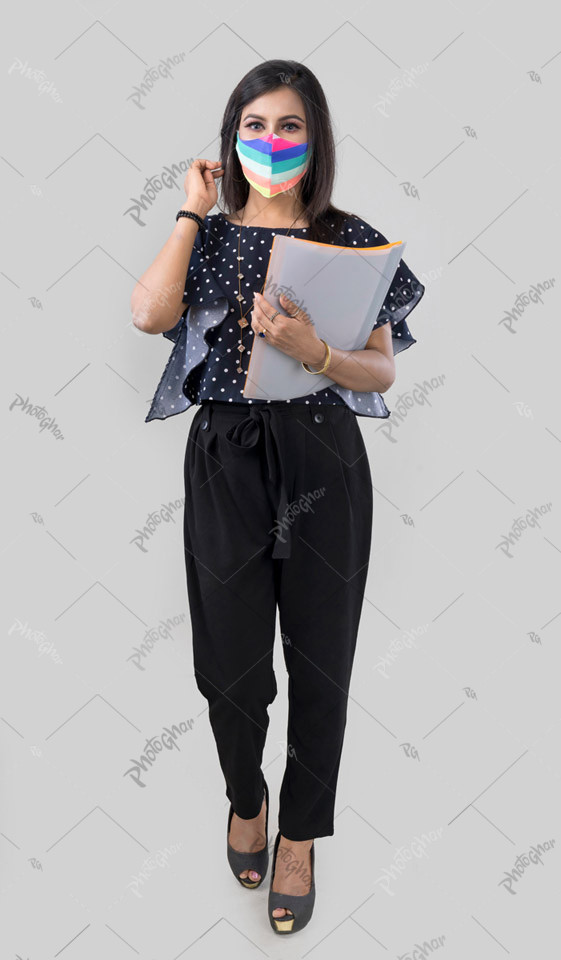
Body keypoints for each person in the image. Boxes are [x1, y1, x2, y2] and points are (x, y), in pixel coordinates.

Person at [131, 59, 425, 935]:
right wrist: (190, 206)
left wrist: (314, 351)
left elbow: (381, 369)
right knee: (229, 664)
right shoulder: (210, 236)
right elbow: (149, 315)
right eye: (254, 125)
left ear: (315, 138)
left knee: (321, 661)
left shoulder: (351, 238)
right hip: (226, 452)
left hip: (323, 456)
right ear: (231, 138)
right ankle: (244, 795)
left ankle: (298, 834)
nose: (271, 141)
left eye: (289, 125)